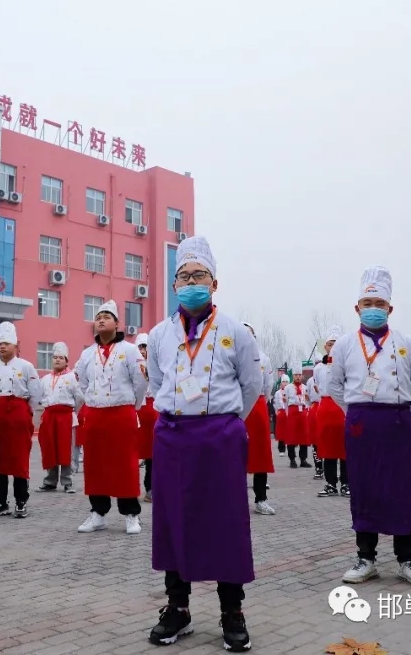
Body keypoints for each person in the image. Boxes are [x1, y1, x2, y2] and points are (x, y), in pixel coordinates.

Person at [146, 236, 262, 652]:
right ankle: (177, 608)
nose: (191, 281)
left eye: (199, 275)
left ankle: (232, 609)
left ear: (215, 283)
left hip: (219, 439)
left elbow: (252, 386)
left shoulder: (234, 332)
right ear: (175, 284)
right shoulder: (159, 334)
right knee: (173, 521)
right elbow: (157, 384)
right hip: (174, 438)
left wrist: (225, 423)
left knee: (225, 522)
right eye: (184, 276)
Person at [331, 266, 411, 588]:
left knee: (403, 487)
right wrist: (358, 410)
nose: (373, 309)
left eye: (379, 304)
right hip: (362, 421)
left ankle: (407, 559)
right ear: (357, 308)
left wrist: (395, 405)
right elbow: (335, 386)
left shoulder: (406, 343)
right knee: (364, 487)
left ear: (390, 308)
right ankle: (366, 557)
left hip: (398, 419)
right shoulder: (345, 345)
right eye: (367, 303)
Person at [75, 301, 147, 535]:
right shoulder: (86, 354)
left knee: (124, 464)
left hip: (121, 413)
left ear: (117, 323)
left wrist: (131, 406)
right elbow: (82, 383)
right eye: (98, 317)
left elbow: (140, 382)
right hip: (95, 414)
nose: (102, 320)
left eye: (107, 316)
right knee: (95, 466)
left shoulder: (130, 350)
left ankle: (130, 513)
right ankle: (98, 513)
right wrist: (91, 401)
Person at [0, 322, 40, 518]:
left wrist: (24, 412)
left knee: (18, 457)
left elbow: (35, 394)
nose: (2, 347)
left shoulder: (27, 367)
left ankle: (21, 501)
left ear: (16, 346)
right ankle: (0, 501)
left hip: (19, 414)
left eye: (6, 343)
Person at [37, 341, 83, 494]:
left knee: (66, 449)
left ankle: (67, 481)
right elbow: (40, 397)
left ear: (66, 360)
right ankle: (50, 481)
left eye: (61, 358)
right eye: (55, 357)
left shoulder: (72, 378)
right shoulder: (44, 379)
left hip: (65, 417)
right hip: (49, 416)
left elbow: (80, 398)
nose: (57, 360)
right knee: (50, 448)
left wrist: (71, 412)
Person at [243, 322, 276, 515]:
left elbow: (268, 386)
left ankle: (261, 499)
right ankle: (233, 499)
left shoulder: (263, 358)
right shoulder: (230, 357)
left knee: (260, 454)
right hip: (236, 407)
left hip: (257, 407)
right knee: (234, 454)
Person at [314, 327, 349, 497]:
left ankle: (346, 483)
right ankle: (330, 483)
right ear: (325, 347)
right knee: (327, 448)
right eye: (329, 344)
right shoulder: (319, 368)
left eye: (335, 344)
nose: (332, 347)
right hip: (326, 407)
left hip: (342, 406)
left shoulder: (347, 365)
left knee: (344, 447)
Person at [135, 333, 159, 503]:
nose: (143, 351)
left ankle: (150, 488)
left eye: (145, 347)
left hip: (154, 413)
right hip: (136, 413)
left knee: (153, 454)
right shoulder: (131, 366)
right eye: (140, 347)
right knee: (131, 452)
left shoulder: (156, 366)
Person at [282, 364, 311, 468]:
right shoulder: (288, 388)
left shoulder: (305, 387)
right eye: (296, 375)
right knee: (291, 436)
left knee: (304, 435)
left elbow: (308, 401)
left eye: (299, 375)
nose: (298, 377)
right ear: (293, 376)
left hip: (302, 411)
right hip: (292, 411)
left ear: (302, 376)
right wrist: (287, 413)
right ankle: (292, 459)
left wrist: (306, 409)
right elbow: (285, 402)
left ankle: (303, 459)